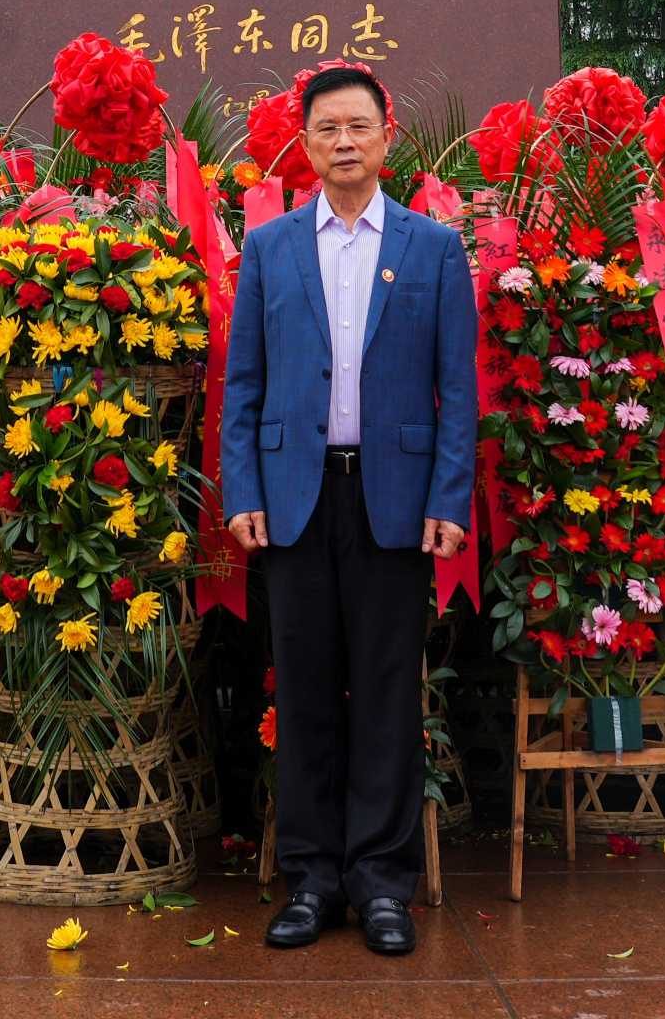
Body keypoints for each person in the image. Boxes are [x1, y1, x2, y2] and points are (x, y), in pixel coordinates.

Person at [219, 63, 474, 955]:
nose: (343, 143)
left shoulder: (436, 249)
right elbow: (243, 381)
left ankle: (380, 884)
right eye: (326, 128)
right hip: (293, 498)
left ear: (387, 135)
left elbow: (456, 390)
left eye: (358, 126)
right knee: (305, 693)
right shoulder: (272, 247)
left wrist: (449, 499)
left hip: (395, 501)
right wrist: (242, 489)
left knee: (386, 697)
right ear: (306, 141)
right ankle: (311, 878)